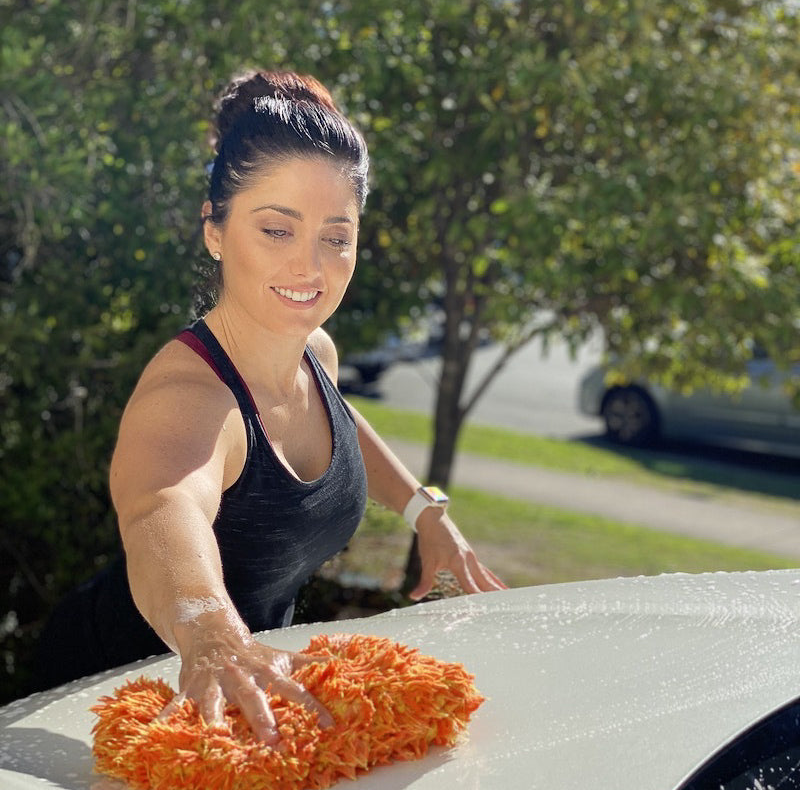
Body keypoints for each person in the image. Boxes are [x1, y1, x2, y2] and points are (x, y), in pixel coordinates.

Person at [36, 69, 505, 742]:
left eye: (335, 237)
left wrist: (424, 510)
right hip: (112, 700)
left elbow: (339, 422)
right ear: (215, 229)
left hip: (249, 690)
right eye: (277, 230)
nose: (310, 267)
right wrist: (209, 630)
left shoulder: (315, 353)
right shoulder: (189, 397)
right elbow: (160, 510)